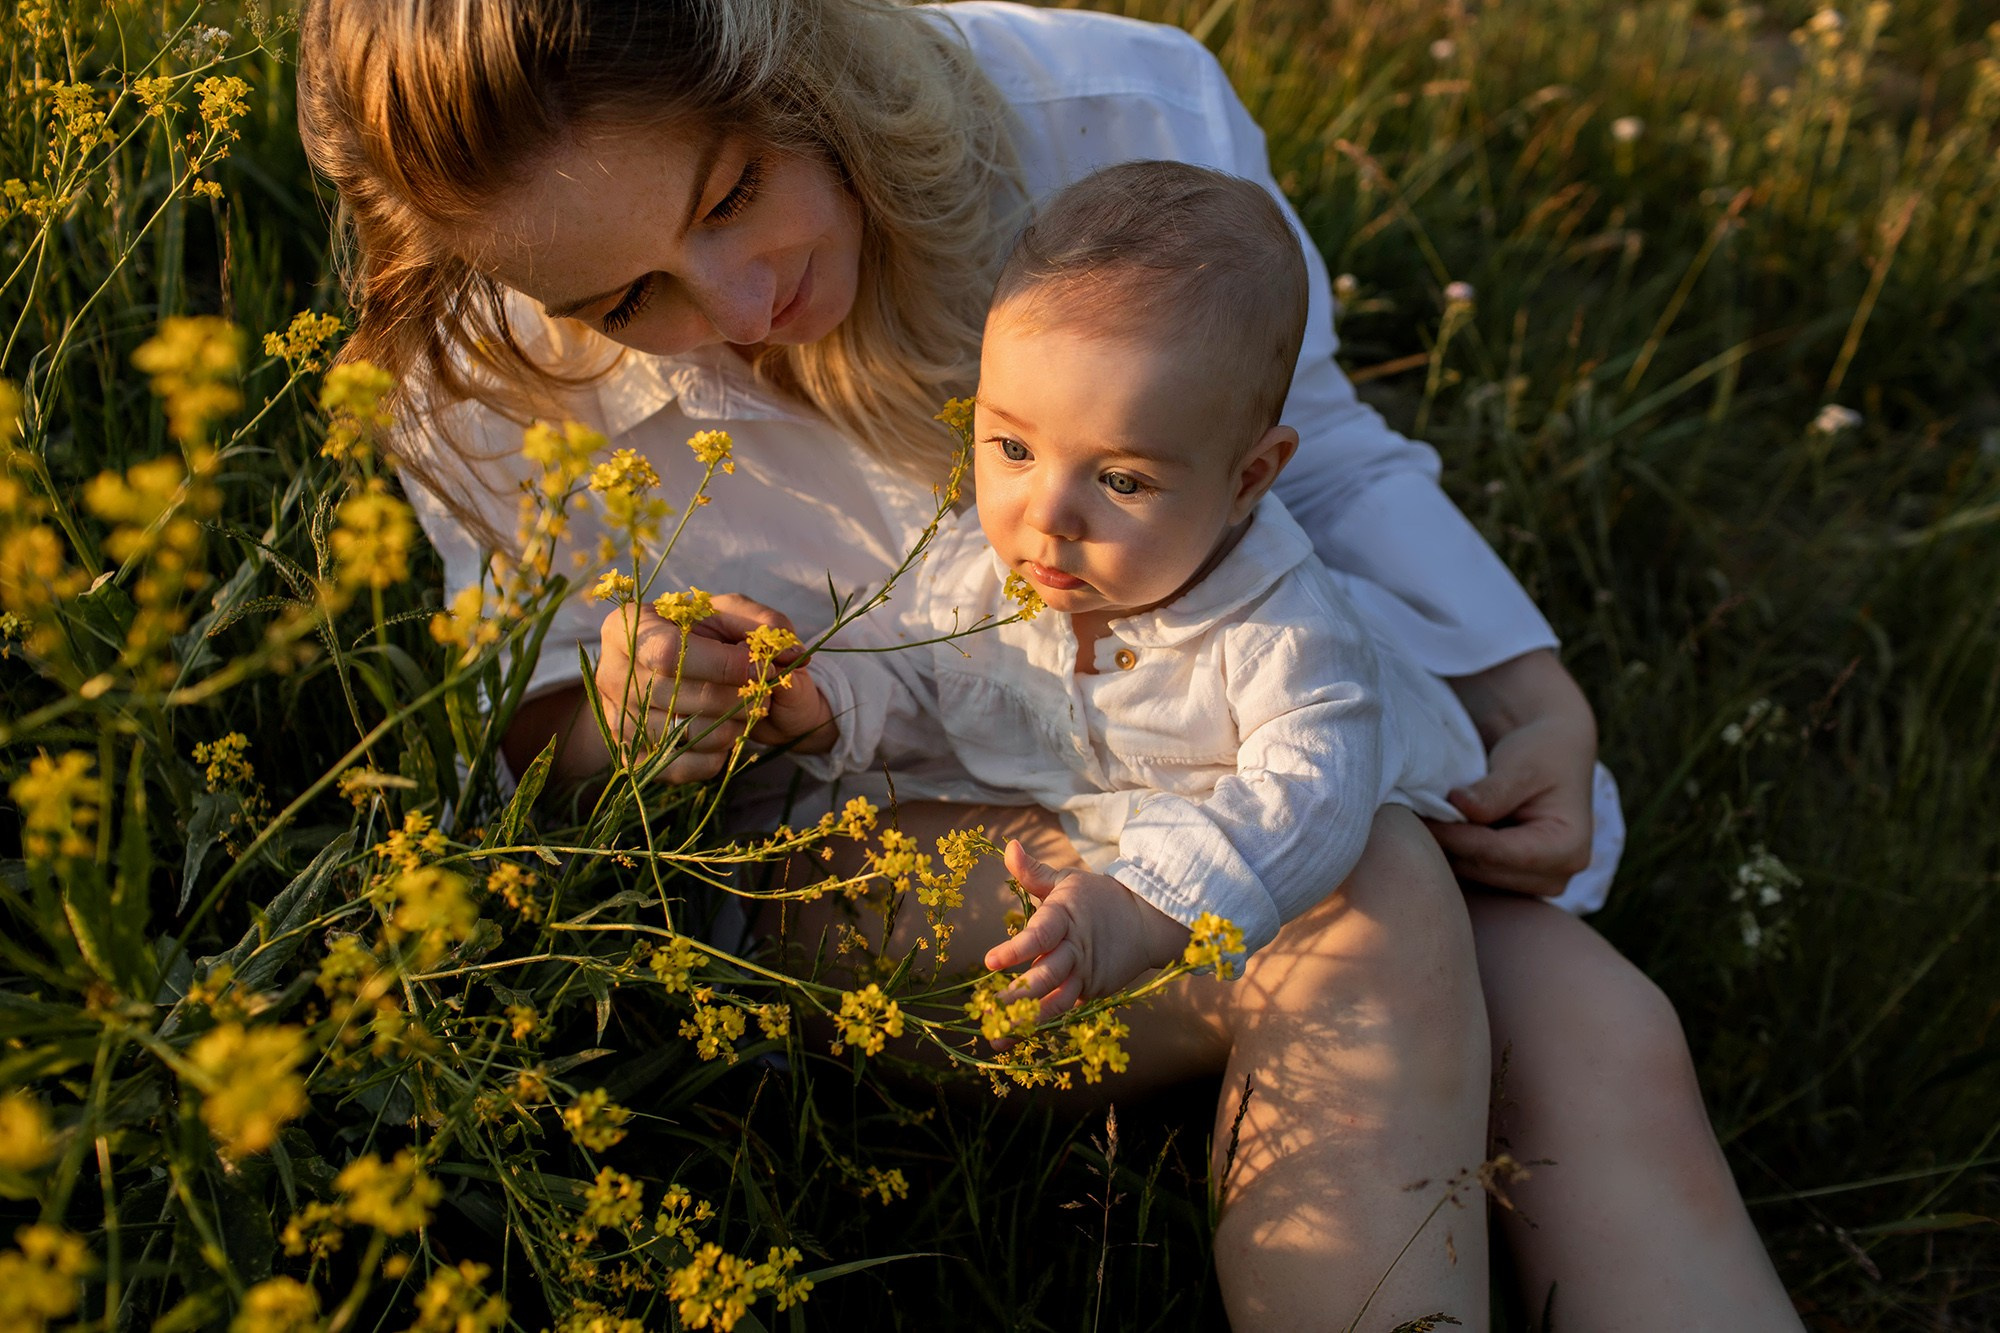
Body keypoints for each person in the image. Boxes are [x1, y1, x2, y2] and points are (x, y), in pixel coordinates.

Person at [296, 0, 1803, 1326]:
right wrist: (620, 715)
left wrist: (1517, 684)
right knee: (1348, 902)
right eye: (629, 302)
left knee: (1598, 1030)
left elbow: (1311, 450)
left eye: (736, 193)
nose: (738, 309)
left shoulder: (1111, 116)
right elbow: (514, 731)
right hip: (858, 839)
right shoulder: (479, 361)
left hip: (1187, 737)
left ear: (799, 52)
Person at [760, 159, 1504, 1013]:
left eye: (1121, 481)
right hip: (1139, 855)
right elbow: (923, 677)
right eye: (1012, 447)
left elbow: (1308, 800)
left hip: (1424, 865)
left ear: (1249, 478)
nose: (1048, 515)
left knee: (1556, 1018)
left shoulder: (1285, 634)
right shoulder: (980, 574)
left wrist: (1147, 910)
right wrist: (824, 702)